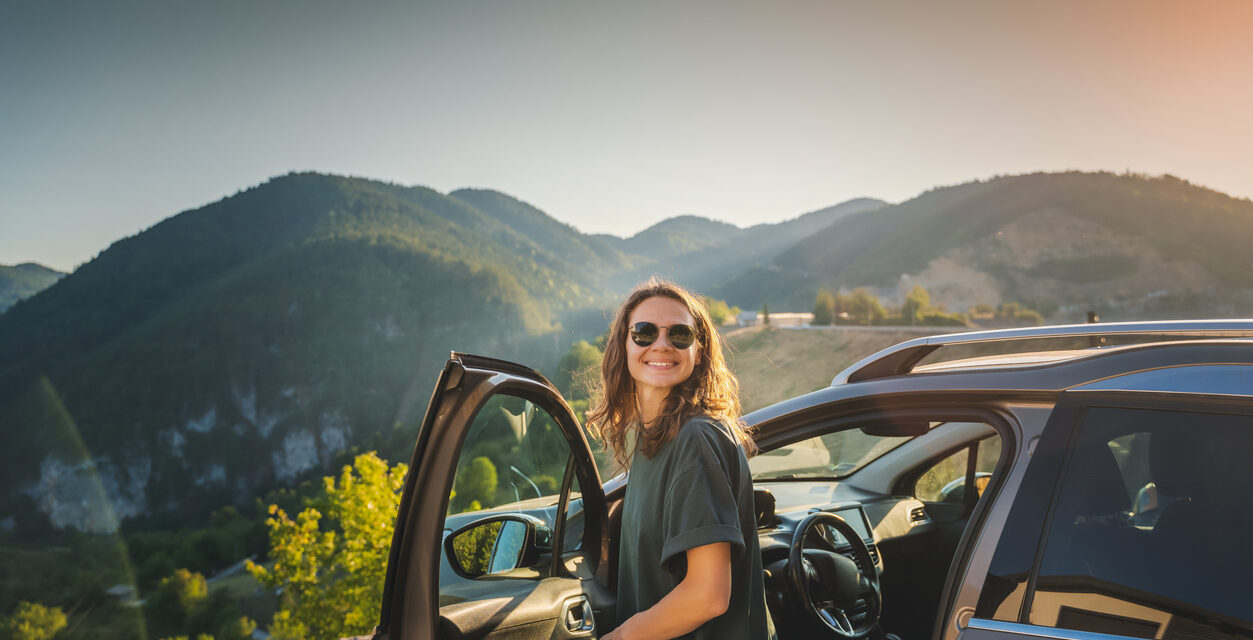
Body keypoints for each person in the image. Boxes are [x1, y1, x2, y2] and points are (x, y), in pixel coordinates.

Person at [590, 279, 774, 640]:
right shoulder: (655, 440)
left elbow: (708, 596)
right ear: (623, 345)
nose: (662, 344)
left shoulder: (696, 439)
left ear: (699, 351)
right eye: (644, 332)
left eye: (680, 334)